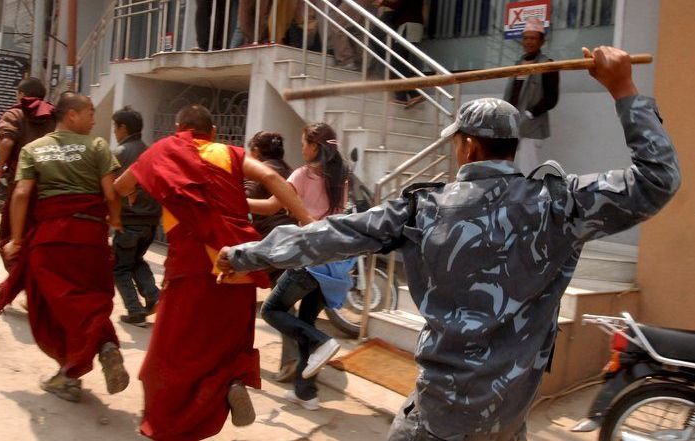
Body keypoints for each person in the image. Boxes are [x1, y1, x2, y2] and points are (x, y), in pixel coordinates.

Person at [218, 47, 681, 440]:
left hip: (441, 415)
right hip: (509, 412)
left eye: (457, 142)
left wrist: (247, 255)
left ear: (468, 147)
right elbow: (657, 180)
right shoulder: (559, 202)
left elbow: (331, 235)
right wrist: (623, 89)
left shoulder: (423, 209)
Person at [112, 104, 313, 440]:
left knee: (171, 351)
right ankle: (233, 379)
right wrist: (308, 222)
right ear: (214, 133)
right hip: (237, 261)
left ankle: (165, 423)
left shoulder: (163, 152)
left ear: (178, 128)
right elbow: (271, 177)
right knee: (226, 341)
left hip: (190, 265)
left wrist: (133, 190)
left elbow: (119, 186)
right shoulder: (229, 153)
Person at [0, 92, 129, 403]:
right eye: (90, 112)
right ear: (71, 115)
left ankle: (70, 372)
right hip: (91, 236)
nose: (95, 119)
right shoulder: (96, 146)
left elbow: (21, 194)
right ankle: (100, 347)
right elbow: (111, 194)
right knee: (91, 296)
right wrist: (116, 220)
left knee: (53, 307)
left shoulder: (32, 149)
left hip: (50, 239)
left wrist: (16, 239)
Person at [245, 122, 354, 411]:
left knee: (272, 310)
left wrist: (236, 200)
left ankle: (322, 341)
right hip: (331, 262)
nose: (302, 148)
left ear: (315, 147)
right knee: (304, 323)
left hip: (307, 257)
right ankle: (306, 393)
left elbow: (270, 206)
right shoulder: (340, 178)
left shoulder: (303, 175)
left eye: (305, 143)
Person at [244, 131, 299, 382]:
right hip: (290, 240)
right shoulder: (289, 169)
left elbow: (244, 198)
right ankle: (293, 359)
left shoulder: (260, 172)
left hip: (268, 244)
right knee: (283, 303)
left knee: (238, 293)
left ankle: (235, 353)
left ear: (256, 151)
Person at [0, 77, 56, 270]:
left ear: (21, 95)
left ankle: (20, 279)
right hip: (50, 186)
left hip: (20, 184)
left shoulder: (15, 114)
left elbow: (7, 142)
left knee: (8, 238)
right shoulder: (54, 115)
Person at [110, 106, 161, 327]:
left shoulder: (121, 153)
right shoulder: (150, 152)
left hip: (128, 220)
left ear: (123, 128)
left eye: (115, 127)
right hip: (150, 222)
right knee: (135, 260)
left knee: (120, 267)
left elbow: (112, 189)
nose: (114, 132)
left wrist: (111, 217)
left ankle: (134, 310)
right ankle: (154, 296)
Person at [503, 17, 560, 175]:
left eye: (533, 38)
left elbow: (551, 98)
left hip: (531, 128)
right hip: (513, 126)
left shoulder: (548, 64)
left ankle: (528, 200)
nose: (529, 42)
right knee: (510, 169)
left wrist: (530, 113)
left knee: (528, 172)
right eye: (526, 38)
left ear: (542, 41)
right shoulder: (517, 64)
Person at [373, 0, 425, 107]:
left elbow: (401, 3)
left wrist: (384, 3)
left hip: (410, 25)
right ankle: (402, 96)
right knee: (398, 61)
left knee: (397, 60)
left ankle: (415, 92)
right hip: (410, 25)